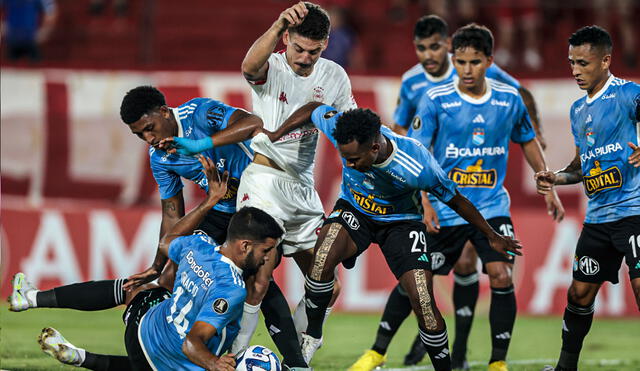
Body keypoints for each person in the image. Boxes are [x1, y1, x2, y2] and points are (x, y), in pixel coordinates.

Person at [351, 15, 559, 371]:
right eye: (461, 61)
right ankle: (377, 351)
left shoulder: (508, 99)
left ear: (489, 63)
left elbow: (526, 139)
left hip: (492, 206)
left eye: (474, 62)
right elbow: (417, 156)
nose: (466, 69)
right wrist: (426, 202)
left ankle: (497, 363)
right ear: (454, 57)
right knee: (416, 278)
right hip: (446, 208)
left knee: (501, 275)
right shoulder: (433, 99)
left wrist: (546, 184)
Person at [267, 101, 522, 371]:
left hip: (401, 224)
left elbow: (456, 200)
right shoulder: (342, 130)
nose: (349, 164)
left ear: (374, 148)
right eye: (346, 158)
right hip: (356, 210)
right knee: (320, 261)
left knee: (423, 301)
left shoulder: (417, 163)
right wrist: (278, 131)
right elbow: (314, 107)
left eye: (354, 159)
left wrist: (491, 234)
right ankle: (313, 336)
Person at [170, 2, 357, 367]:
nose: (304, 57)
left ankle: (299, 354)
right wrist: (275, 26)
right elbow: (248, 67)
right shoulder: (272, 65)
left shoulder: (335, 77)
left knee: (327, 285)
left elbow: (350, 127)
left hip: (303, 189)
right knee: (258, 279)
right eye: (298, 48)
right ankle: (234, 356)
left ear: (326, 45)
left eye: (313, 51)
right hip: (265, 178)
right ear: (286, 39)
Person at [10, 156, 284, 370]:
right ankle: (79, 354)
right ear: (245, 245)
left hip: (143, 334)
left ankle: (36, 303)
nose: (266, 259)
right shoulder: (231, 289)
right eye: (266, 251)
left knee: (136, 290)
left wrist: (209, 201)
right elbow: (192, 343)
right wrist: (214, 363)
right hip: (174, 360)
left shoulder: (198, 246)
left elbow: (168, 240)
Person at [536, 26, 640, 371]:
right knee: (579, 294)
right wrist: (556, 177)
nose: (576, 70)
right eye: (571, 63)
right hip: (598, 219)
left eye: (583, 63)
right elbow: (581, 167)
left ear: (606, 60)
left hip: (634, 212)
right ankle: (566, 367)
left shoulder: (627, 94)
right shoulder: (578, 110)